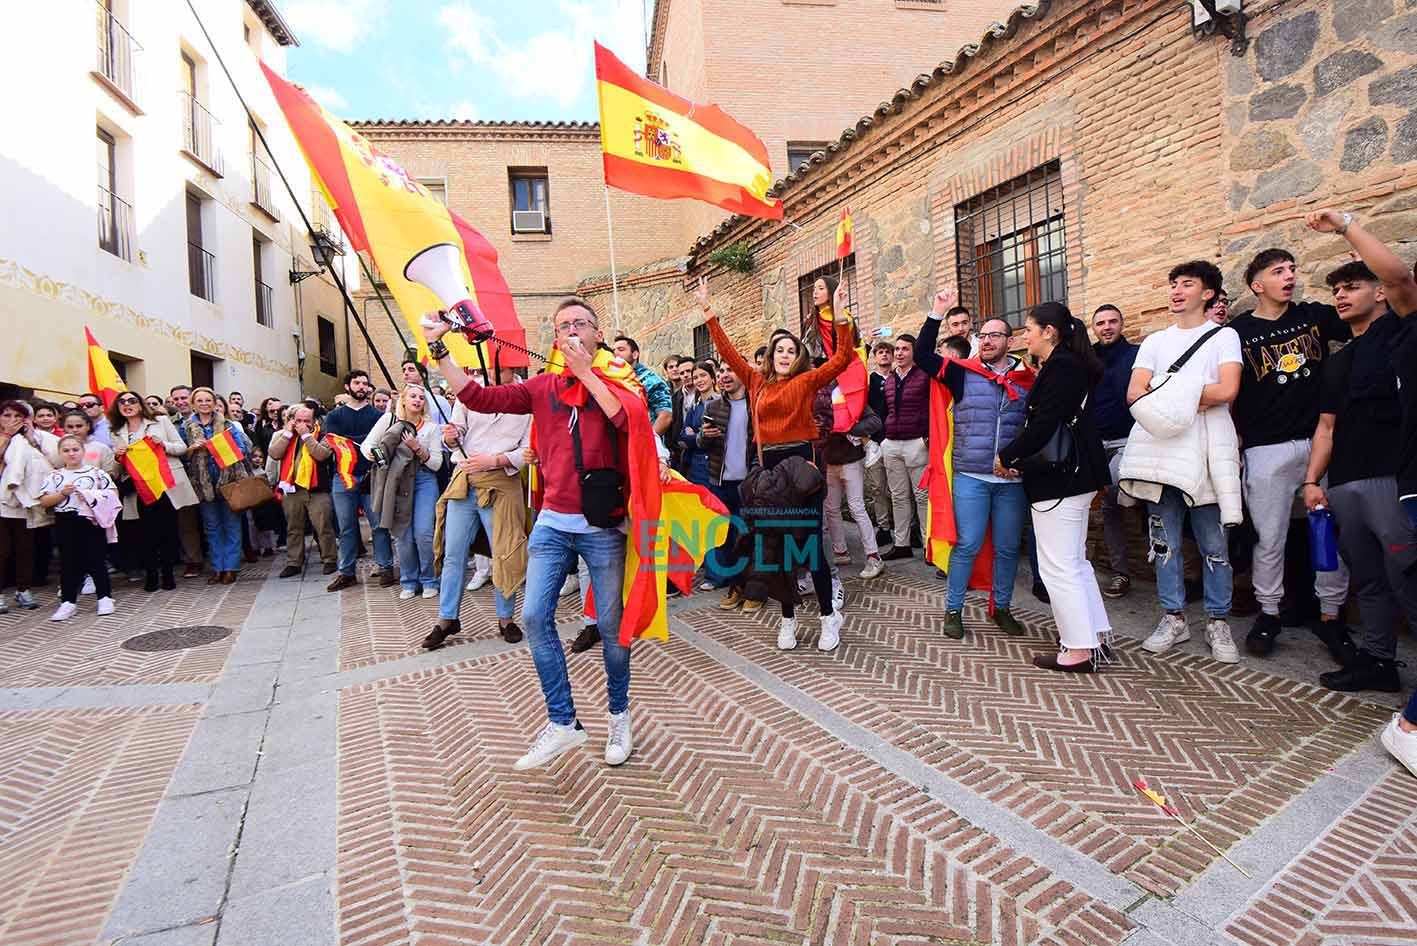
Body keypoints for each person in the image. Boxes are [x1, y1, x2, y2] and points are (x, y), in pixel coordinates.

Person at [423, 297, 658, 771]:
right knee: (533, 617)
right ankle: (563, 720)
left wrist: (586, 372)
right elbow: (477, 397)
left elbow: (626, 418)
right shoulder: (541, 387)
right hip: (553, 520)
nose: (571, 330)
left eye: (580, 324)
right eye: (562, 325)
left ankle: (618, 715)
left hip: (604, 526)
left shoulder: (618, 380)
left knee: (613, 630)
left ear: (597, 334)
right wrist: (439, 350)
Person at [702, 276, 856, 652]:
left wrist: (836, 314)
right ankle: (787, 618)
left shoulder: (805, 382)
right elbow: (730, 353)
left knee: (810, 549)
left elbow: (843, 358)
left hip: (801, 471)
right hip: (769, 475)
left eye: (791, 350)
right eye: (779, 350)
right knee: (777, 549)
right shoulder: (756, 383)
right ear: (771, 356)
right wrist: (709, 313)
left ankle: (825, 617)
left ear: (798, 356)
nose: (785, 355)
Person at [1301, 208, 1417, 692]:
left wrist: (1347, 224)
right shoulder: (1338, 360)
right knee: (1367, 580)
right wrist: (1312, 482)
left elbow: (1400, 275)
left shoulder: (1401, 332)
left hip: (1394, 479)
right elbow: (1325, 428)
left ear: (1379, 293)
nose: (1341, 296)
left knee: (1408, 577)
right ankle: (1377, 662)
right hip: (1345, 482)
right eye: (1336, 291)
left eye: (1352, 286)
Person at [1229, 247, 1351, 657]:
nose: (1290, 276)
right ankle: (1268, 613)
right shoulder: (1238, 332)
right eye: (1278, 271)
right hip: (1266, 447)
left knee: (1326, 530)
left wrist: (1361, 268)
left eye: (1293, 269)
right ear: (1256, 285)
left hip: (1319, 442)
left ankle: (1332, 615)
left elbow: (1368, 313)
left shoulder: (1313, 316)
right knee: (1270, 537)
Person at [1122, 261, 1243, 664]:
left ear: (1208, 293)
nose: (1176, 290)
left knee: (1213, 543)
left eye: (1186, 284)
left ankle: (1217, 619)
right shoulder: (1155, 341)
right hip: (1162, 449)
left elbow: (1227, 389)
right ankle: (1173, 616)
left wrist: (1165, 389)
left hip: (1207, 449)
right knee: (1165, 542)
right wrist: (1191, 393)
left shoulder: (1224, 337)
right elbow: (1134, 394)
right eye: (1173, 284)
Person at [996, 304, 1111, 671]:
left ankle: (1078, 648)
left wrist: (1008, 457)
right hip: (1073, 477)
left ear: (1049, 332)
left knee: (1059, 567)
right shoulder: (1067, 365)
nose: (1022, 336)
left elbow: (1043, 426)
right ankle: (1094, 637)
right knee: (1075, 563)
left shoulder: (1062, 367)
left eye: (1027, 329)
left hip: (1062, 480)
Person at [915, 291, 1031, 639]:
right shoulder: (962, 374)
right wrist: (937, 312)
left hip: (1011, 480)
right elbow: (922, 356)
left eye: (996, 334)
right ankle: (953, 609)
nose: (988, 340)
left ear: (1011, 341)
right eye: (984, 335)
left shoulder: (1027, 380)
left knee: (1009, 547)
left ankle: (1003, 607)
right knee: (967, 544)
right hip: (971, 476)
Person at [425, 379, 532, 648]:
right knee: (453, 553)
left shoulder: (527, 397)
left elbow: (530, 449)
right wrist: (450, 436)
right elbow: (457, 431)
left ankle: (505, 618)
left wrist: (496, 460)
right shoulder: (470, 391)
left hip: (502, 483)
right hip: (466, 480)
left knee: (504, 552)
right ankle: (447, 618)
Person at [107, 392, 199, 592]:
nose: (127, 404)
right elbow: (115, 470)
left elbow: (181, 448)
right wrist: (117, 457)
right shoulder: (115, 432)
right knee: (144, 534)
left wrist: (162, 444)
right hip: (138, 488)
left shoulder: (160, 421)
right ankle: (151, 575)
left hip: (164, 484)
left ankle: (167, 575)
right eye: (122, 402)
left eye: (132, 401)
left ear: (140, 404)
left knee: (167, 530)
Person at [362, 385, 444, 598]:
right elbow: (368, 446)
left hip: (424, 480)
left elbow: (436, 463)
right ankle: (409, 580)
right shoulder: (389, 421)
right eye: (413, 396)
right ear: (404, 400)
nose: (417, 400)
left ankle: (429, 580)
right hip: (396, 483)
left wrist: (418, 448)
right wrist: (378, 458)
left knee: (424, 533)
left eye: (421, 397)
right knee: (402, 533)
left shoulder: (432, 428)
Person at [322, 370, 396, 592]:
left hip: (371, 475)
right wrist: (365, 441)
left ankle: (385, 567)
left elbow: (382, 442)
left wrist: (355, 441)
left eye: (365, 383)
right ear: (347, 387)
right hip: (343, 477)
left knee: (379, 525)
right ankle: (346, 572)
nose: (361, 387)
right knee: (346, 528)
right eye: (357, 383)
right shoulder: (334, 416)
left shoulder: (377, 416)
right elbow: (335, 442)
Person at [39, 434, 118, 620]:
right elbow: (44, 500)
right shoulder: (55, 476)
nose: (71, 454)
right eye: (66, 450)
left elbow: (112, 492)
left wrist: (92, 496)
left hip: (91, 519)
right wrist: (61, 494)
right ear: (60, 453)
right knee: (68, 562)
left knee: (97, 559)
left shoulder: (96, 473)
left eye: (75, 449)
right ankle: (68, 602)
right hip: (66, 520)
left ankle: (105, 597)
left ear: (83, 451)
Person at [1092, 304, 1139, 598]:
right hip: (1096, 443)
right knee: (1109, 509)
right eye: (1100, 323)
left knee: (1119, 496)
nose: (1107, 327)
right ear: (1094, 328)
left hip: (1130, 441)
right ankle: (1122, 573)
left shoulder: (1136, 355)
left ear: (1121, 324)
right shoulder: (1088, 359)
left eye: (1112, 321)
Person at [699, 361, 756, 607]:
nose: (724, 375)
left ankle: (755, 589)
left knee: (750, 537)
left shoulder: (756, 405)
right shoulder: (713, 406)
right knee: (725, 535)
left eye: (730, 370)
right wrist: (704, 437)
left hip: (749, 482)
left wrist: (757, 474)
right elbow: (703, 444)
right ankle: (733, 585)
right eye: (721, 371)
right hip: (720, 482)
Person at [181, 387, 249, 584]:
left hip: (228, 481)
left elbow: (242, 449)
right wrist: (192, 449)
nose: (204, 404)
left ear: (214, 402)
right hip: (203, 484)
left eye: (208, 400)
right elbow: (181, 453)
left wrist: (220, 445)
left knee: (232, 525)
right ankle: (217, 567)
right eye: (200, 400)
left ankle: (231, 567)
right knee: (212, 527)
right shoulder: (186, 426)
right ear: (194, 404)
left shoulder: (227, 424)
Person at [268, 405, 338, 578]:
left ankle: (329, 559)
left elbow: (321, 454)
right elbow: (274, 454)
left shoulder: (324, 436)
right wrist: (287, 434)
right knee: (294, 527)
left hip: (317, 490)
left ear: (314, 421)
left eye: (306, 421)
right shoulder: (283, 435)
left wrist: (306, 435)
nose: (302, 424)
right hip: (292, 489)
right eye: (298, 420)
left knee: (323, 526)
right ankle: (294, 562)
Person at [880, 330, 932, 561]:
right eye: (897, 349)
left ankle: (930, 547)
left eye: (904, 349)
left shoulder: (924, 376)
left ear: (914, 353)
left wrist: (927, 437)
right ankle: (901, 544)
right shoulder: (890, 378)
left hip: (916, 443)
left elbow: (932, 407)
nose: (899, 353)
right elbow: (883, 410)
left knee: (922, 496)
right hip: (892, 443)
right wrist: (882, 438)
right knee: (898, 496)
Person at [612, 336, 674, 442]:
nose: (616, 354)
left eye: (621, 350)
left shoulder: (651, 379)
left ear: (635, 354)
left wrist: (648, 442)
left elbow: (666, 416)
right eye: (614, 351)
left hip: (644, 446)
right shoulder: (614, 379)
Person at [677, 360, 719, 489]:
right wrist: (700, 435)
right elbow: (683, 436)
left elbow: (717, 436)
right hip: (696, 467)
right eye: (695, 377)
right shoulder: (693, 408)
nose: (699, 380)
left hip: (716, 465)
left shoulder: (722, 403)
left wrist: (695, 434)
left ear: (712, 378)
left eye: (703, 375)